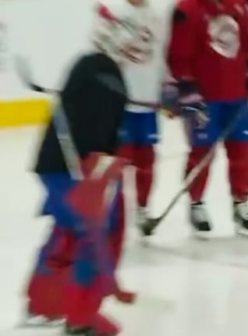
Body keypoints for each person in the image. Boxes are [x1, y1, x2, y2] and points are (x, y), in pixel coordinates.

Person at [25, 24, 135, 335]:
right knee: (90, 234)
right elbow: (95, 131)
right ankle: (79, 317)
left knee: (68, 232)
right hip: (63, 168)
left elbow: (106, 135)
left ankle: (43, 305)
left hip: (65, 168)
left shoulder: (111, 76)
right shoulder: (97, 70)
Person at [166, 0, 248, 237]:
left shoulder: (238, 6)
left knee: (242, 151)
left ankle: (240, 203)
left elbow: (245, 47)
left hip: (236, 96)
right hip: (204, 98)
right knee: (201, 151)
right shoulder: (187, 9)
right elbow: (179, 55)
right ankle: (196, 204)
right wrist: (186, 88)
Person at [94, 0, 168, 233]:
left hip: (148, 104)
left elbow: (161, 55)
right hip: (120, 106)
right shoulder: (114, 13)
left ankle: (143, 209)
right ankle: (111, 214)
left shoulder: (156, 17)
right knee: (117, 163)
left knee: (146, 162)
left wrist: (167, 85)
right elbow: (99, 56)